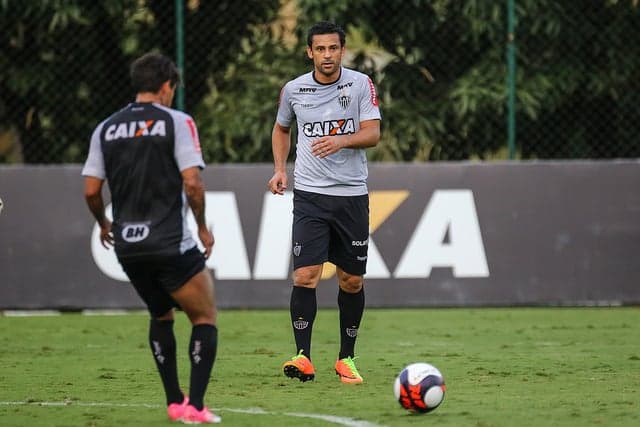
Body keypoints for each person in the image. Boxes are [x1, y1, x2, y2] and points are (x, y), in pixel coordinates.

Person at [82, 52, 221, 424]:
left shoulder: (106, 128)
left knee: (161, 314)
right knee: (204, 317)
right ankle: (196, 407)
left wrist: (103, 223)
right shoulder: (177, 122)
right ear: (165, 87)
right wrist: (203, 227)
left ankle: (175, 401)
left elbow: (92, 190)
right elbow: (192, 182)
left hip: (127, 246)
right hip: (170, 242)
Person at [268, 21, 381, 384]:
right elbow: (282, 128)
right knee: (305, 275)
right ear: (309, 52)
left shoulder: (361, 84)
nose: (327, 55)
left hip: (350, 196)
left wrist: (342, 140)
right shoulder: (293, 90)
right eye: (320, 49)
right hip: (310, 196)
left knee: (351, 280)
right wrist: (279, 169)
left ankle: (346, 359)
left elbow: (373, 132)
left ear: (342, 50)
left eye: (333, 48)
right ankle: (302, 356)